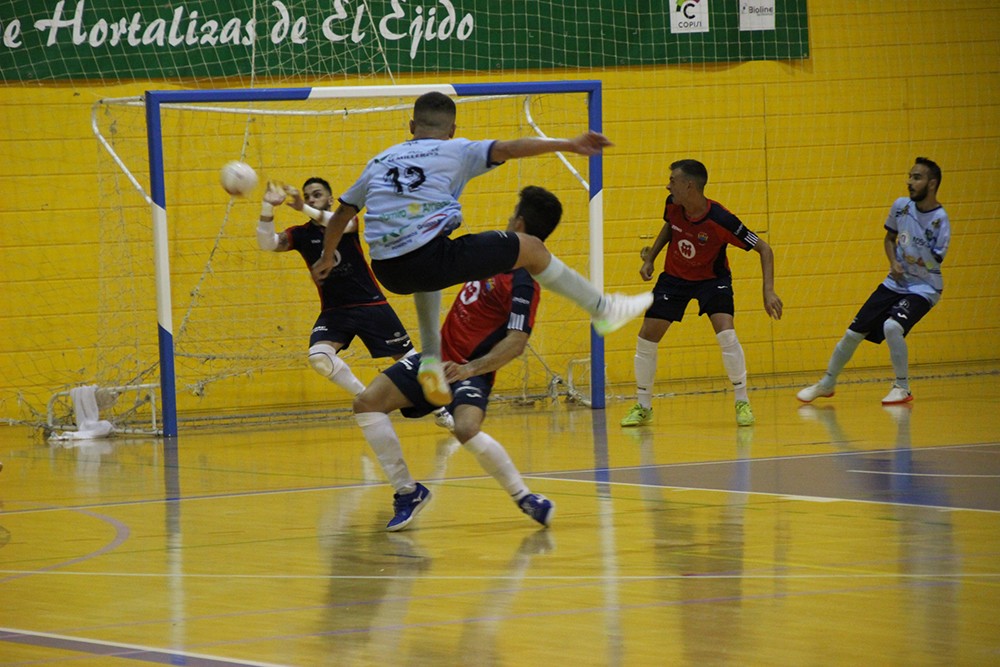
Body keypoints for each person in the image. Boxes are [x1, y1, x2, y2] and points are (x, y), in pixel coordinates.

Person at [306, 91, 652, 408]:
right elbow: (512, 147)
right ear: (454, 129)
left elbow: (341, 215)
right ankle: (602, 308)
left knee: (428, 263)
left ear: (411, 125)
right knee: (530, 247)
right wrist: (569, 143)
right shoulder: (458, 150)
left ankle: (429, 360)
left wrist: (325, 257)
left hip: (388, 269)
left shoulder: (380, 161)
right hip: (427, 257)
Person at [351, 185, 565, 532]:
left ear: (520, 223)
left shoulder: (524, 280)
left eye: (513, 214)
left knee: (465, 427)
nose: (508, 218)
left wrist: (469, 368)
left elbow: (516, 342)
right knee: (367, 403)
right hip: (436, 361)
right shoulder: (494, 254)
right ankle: (408, 491)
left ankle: (524, 497)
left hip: (469, 370)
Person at [257, 177, 453, 429]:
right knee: (318, 357)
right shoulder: (302, 234)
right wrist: (266, 207)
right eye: (307, 196)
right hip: (334, 312)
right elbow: (267, 243)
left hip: (371, 306)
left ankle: (441, 408)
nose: (311, 199)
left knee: (410, 361)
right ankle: (367, 398)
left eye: (317, 195)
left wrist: (301, 207)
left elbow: (339, 222)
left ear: (330, 199)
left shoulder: (348, 222)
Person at [620, 159, 783, 428]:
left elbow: (764, 249)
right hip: (674, 278)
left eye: (672, 180)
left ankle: (742, 401)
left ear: (689, 185)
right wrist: (651, 259)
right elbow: (669, 227)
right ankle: (643, 405)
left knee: (726, 333)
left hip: (712, 280)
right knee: (646, 337)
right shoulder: (672, 204)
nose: (667, 184)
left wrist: (768, 291)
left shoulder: (722, 219)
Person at [797, 157, 950, 405]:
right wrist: (894, 262)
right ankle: (827, 383)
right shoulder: (900, 206)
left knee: (892, 327)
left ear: (932, 184)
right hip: (894, 283)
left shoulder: (939, 220)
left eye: (917, 177)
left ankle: (902, 387)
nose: (910, 181)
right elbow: (889, 239)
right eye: (909, 176)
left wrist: (917, 256)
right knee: (851, 334)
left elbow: (936, 260)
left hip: (924, 288)